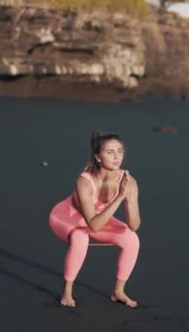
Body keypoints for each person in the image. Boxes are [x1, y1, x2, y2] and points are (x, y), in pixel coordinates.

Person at [48, 132, 141, 308]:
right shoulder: (84, 181)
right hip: (65, 217)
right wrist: (119, 197)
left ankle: (118, 292)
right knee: (80, 238)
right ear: (98, 157)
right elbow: (95, 226)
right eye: (110, 152)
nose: (116, 157)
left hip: (95, 219)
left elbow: (134, 226)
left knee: (131, 239)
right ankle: (67, 291)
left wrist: (130, 200)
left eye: (119, 151)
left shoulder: (129, 182)